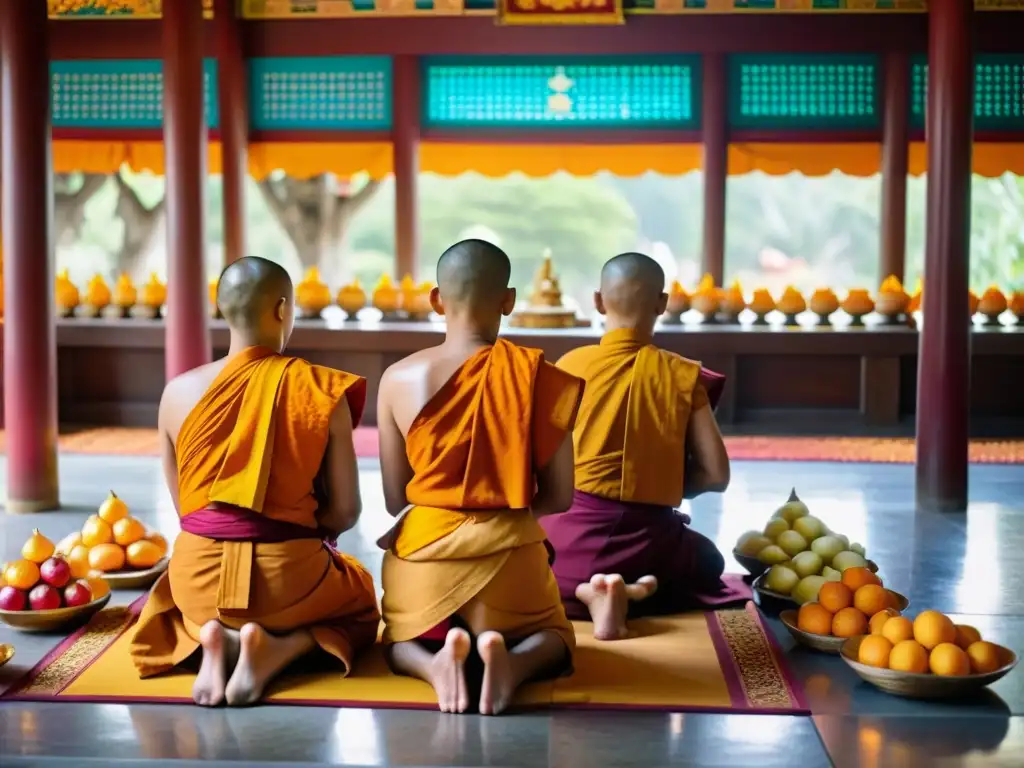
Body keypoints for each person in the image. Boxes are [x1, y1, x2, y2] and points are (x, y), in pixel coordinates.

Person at [130, 256, 380, 707]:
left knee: (171, 602)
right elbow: (346, 512)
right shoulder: (319, 389)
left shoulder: (176, 393)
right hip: (288, 579)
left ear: (222, 308)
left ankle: (212, 636)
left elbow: (188, 511)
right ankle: (276, 648)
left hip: (196, 580)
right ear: (283, 309)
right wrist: (298, 528)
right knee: (361, 600)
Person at [376, 239, 584, 715]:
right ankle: (513, 663)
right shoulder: (538, 377)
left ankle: (433, 666)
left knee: (395, 640)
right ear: (508, 301)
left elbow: (394, 500)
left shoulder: (397, 378)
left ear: (435, 299)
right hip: (511, 563)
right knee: (555, 637)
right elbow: (559, 496)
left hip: (423, 564)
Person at [540, 252, 746, 642]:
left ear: (599, 301)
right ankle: (631, 592)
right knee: (708, 562)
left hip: (566, 538)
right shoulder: (681, 374)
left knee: (531, 566)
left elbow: (541, 461)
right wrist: (661, 485)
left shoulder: (569, 366)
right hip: (648, 541)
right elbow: (717, 475)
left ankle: (587, 593)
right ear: (662, 304)